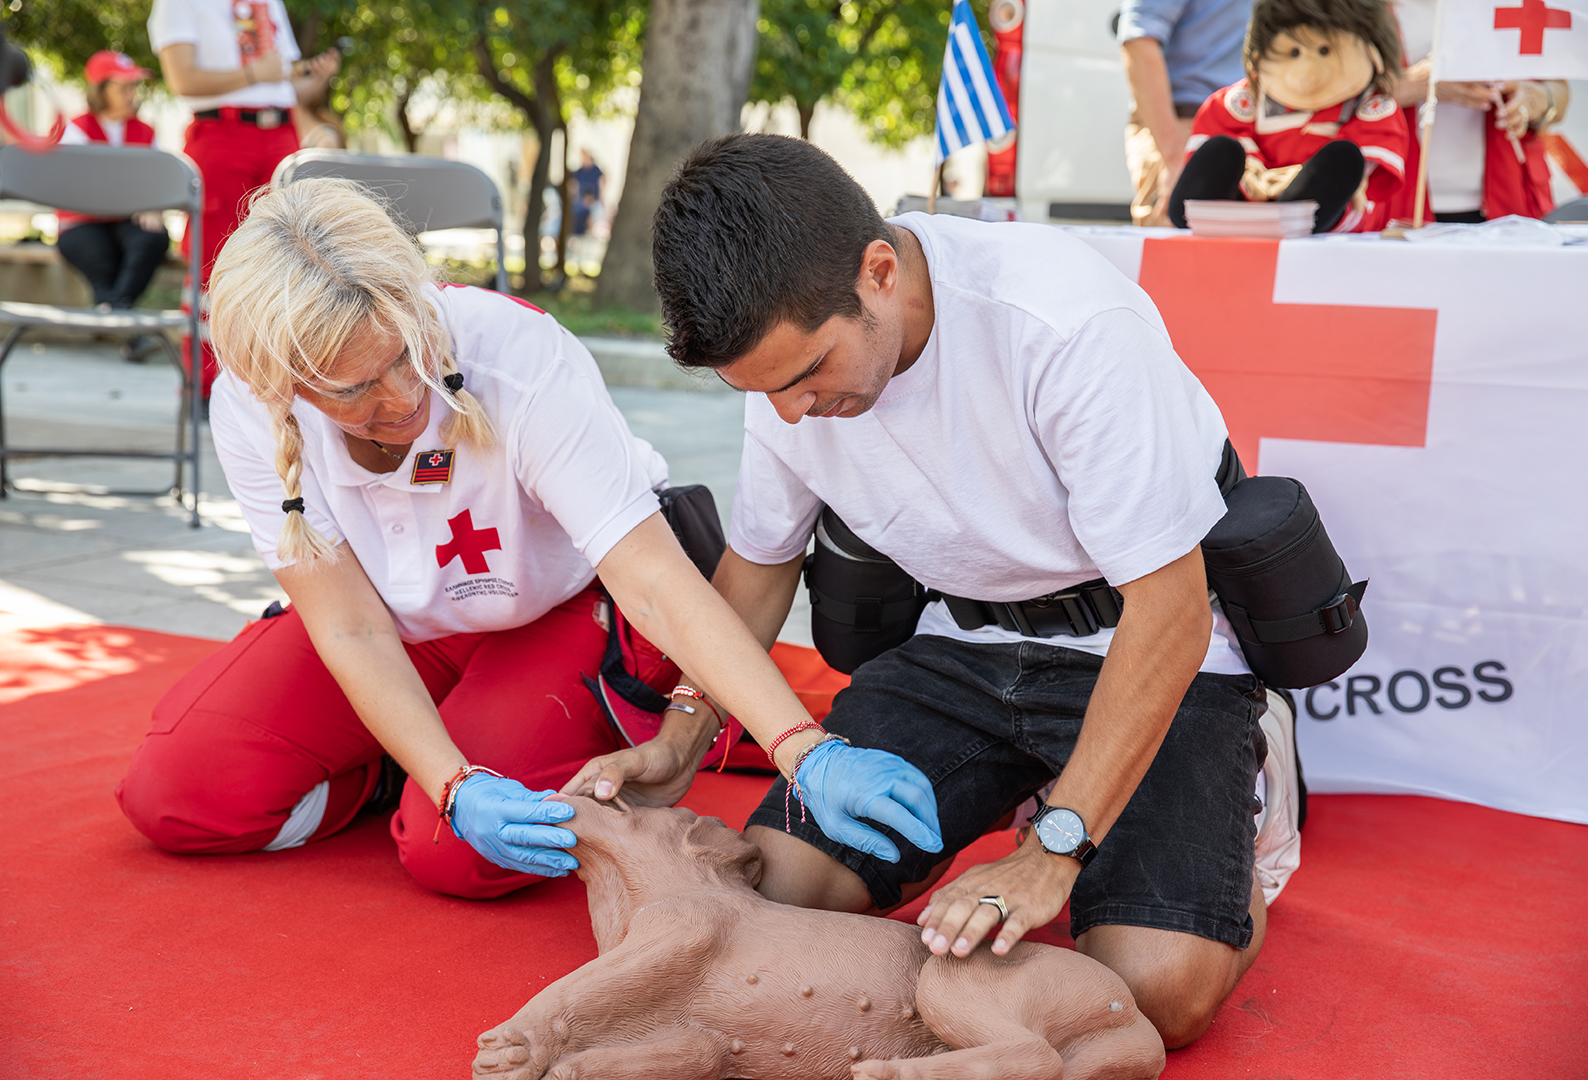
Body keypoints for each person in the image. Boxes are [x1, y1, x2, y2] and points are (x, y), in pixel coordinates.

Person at [644, 133, 1303, 1050]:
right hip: (963, 643)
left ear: (880, 272)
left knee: (1154, 991)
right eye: (764, 392)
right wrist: (678, 738)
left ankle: (1237, 843)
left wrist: (1053, 851)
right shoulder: (788, 362)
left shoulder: (1062, 321)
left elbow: (1173, 613)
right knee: (776, 900)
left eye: (805, 377)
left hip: (1154, 646)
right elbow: (759, 564)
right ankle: (1017, 790)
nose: (791, 412)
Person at [114, 178, 942, 901]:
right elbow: (350, 626)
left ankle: (438, 757)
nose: (404, 396)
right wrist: (448, 778)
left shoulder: (516, 353)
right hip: (400, 623)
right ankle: (395, 766)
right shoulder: (251, 406)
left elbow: (651, 581)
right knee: (174, 797)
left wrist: (803, 749)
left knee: (452, 858)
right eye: (357, 387)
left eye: (407, 352)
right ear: (283, 381)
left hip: (563, 602)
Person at [147, 0, 341, 403]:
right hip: (222, 132)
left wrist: (319, 78)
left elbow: (283, 85)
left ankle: (279, 383)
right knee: (211, 265)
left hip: (279, 132)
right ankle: (204, 387)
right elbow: (182, 80)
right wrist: (255, 73)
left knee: (291, 258)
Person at [1391, 0, 1570, 222]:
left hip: (1507, 200)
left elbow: (1559, 92)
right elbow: (1340, 95)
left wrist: (1534, 98)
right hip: (1394, 203)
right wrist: (1421, 82)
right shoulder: (1363, 7)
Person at [1118, 0, 1254, 226]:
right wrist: (1173, 156)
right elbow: (1138, 39)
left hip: (1248, 128)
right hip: (1185, 127)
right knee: (1170, 252)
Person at [55, 52, 170, 316]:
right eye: (123, 87)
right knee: (99, 256)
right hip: (82, 223)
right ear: (100, 90)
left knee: (152, 240)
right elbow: (72, 185)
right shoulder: (76, 129)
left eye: (133, 86)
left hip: (126, 222)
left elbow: (159, 178)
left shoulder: (145, 130)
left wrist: (155, 205)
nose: (132, 93)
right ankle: (124, 322)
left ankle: (110, 311)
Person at [571, 149, 604, 237]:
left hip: (594, 201)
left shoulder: (596, 171)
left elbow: (600, 187)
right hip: (582, 201)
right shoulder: (579, 172)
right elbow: (576, 189)